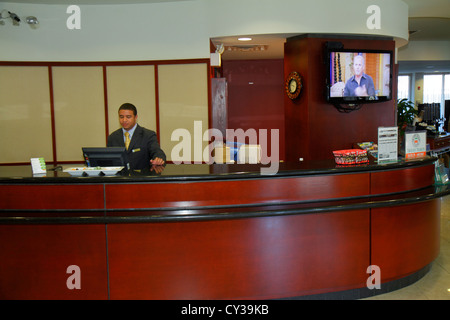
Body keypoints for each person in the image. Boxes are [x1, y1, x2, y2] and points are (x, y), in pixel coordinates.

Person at [107, 103, 166, 173]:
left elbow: (157, 151)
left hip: (142, 179)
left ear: (135, 117)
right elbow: (108, 160)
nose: (124, 120)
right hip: (119, 180)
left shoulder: (148, 135)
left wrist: (158, 158)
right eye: (121, 117)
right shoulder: (113, 137)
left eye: (128, 117)